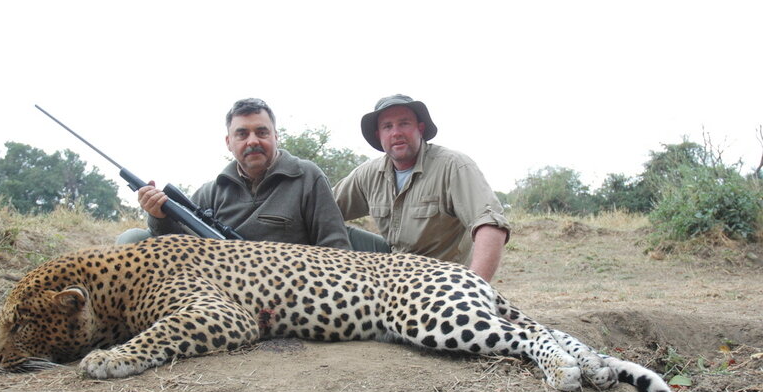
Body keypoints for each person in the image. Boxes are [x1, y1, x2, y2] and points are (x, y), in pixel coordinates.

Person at [117, 98, 351, 249]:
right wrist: (158, 216)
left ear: (275, 136)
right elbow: (176, 244)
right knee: (132, 240)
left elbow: (335, 245)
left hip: (292, 294)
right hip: (222, 295)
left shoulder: (307, 176)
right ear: (229, 142)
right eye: (242, 134)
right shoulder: (210, 192)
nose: (252, 141)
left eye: (261, 132)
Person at [333, 94, 510, 281]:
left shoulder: (453, 166)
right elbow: (322, 210)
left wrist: (475, 288)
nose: (396, 133)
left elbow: (490, 225)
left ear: (420, 128)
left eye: (404, 123)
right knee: (325, 227)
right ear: (379, 135)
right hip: (393, 267)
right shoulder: (367, 174)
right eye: (387, 126)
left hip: (440, 278)